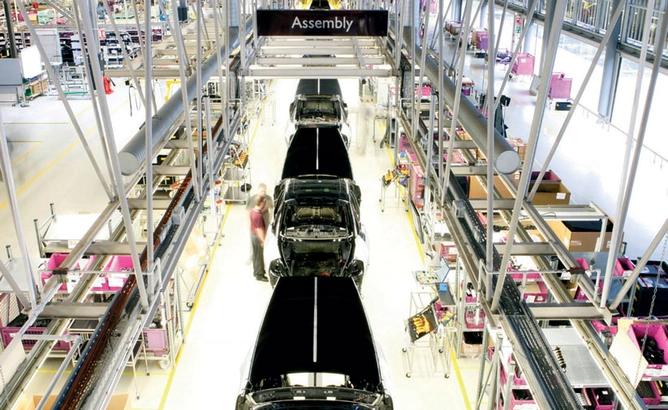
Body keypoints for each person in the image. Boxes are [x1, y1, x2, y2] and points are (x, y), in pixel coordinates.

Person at [246, 183, 274, 263]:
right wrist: (249, 222)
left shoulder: (268, 198)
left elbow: (272, 208)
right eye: (262, 191)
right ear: (258, 190)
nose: (263, 193)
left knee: (266, 240)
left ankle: (264, 257)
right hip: (255, 224)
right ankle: (252, 257)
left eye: (264, 191)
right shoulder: (253, 199)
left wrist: (270, 219)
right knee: (254, 242)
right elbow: (248, 211)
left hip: (265, 223)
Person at [250, 195, 269, 282]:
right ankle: (259, 274)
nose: (264, 204)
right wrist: (263, 241)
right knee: (259, 256)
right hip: (258, 237)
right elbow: (259, 229)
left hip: (253, 235)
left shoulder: (253, 211)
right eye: (264, 202)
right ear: (261, 203)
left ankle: (256, 271)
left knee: (255, 255)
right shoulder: (258, 215)